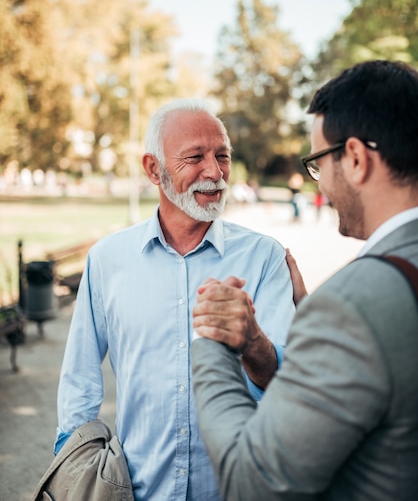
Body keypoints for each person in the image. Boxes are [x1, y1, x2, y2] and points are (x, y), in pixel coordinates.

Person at [192, 60, 418, 500]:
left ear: (355, 158)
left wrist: (212, 340)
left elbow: (251, 483)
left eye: (318, 161)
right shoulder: (362, 303)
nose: (321, 183)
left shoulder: (351, 307)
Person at [55, 99, 295, 501]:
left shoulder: (266, 257)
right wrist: (74, 465)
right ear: (153, 169)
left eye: (222, 156)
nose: (215, 172)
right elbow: (79, 375)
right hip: (139, 489)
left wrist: (252, 340)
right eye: (194, 157)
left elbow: (288, 386)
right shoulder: (108, 259)